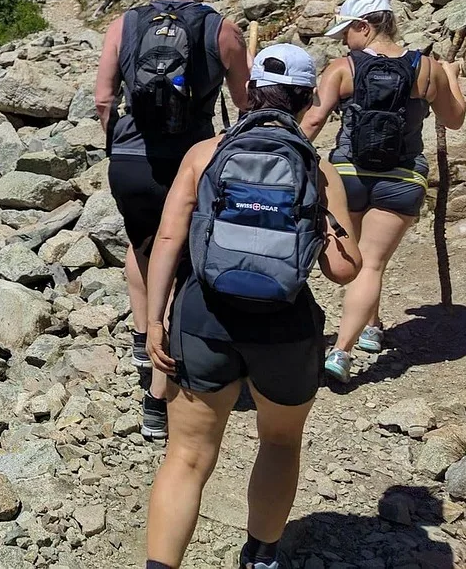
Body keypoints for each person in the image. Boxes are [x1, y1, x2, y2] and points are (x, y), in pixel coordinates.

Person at [144, 45, 362, 569]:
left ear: (247, 93)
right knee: (281, 442)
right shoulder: (317, 167)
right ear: (308, 99)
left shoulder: (205, 153)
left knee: (187, 455)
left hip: (203, 318)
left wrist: (153, 320)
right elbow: (344, 269)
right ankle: (261, 556)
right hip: (284, 327)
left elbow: (169, 239)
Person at [95, 0, 250, 439]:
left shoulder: (126, 24)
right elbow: (247, 103)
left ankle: (144, 343)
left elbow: (102, 99)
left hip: (133, 163)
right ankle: (161, 397)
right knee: (182, 266)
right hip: (190, 162)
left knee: (142, 248)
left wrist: (117, 139)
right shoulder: (220, 28)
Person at [300, 0, 466, 383]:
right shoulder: (427, 68)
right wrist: (453, 77)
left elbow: (313, 122)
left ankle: (348, 341)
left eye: (347, 32)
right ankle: (353, 343)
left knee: (355, 260)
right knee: (372, 263)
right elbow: (455, 119)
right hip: (403, 177)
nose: (344, 40)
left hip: (347, 176)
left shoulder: (343, 68)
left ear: (365, 26)